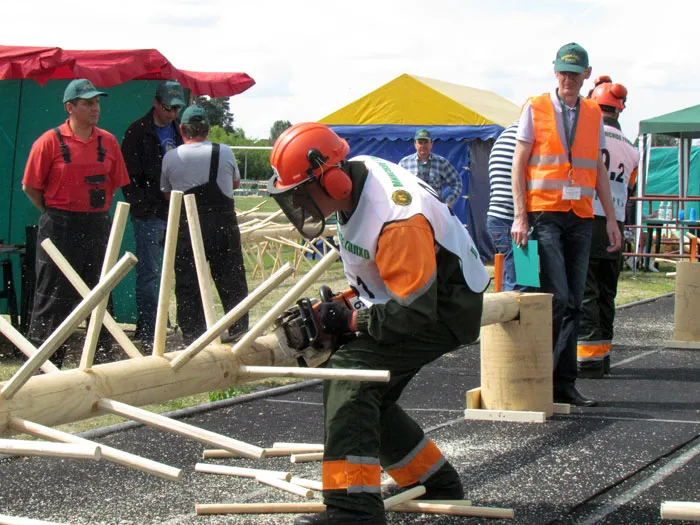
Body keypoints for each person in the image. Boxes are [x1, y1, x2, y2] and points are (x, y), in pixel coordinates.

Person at [268, 122, 489, 525]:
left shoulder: (396, 217)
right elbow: (383, 273)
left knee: (352, 377)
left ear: (332, 180)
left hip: (443, 309)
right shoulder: (358, 175)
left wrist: (352, 320)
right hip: (413, 298)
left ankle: (352, 510)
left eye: (301, 194)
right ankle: (435, 482)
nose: (299, 205)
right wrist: (346, 304)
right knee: (374, 398)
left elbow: (415, 311)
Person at [510, 43, 622, 408]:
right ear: (554, 72)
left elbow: (599, 170)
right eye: (563, 71)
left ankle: (564, 382)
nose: (568, 78)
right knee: (552, 296)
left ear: (586, 75)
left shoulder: (593, 114)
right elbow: (519, 162)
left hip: (580, 216)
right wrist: (519, 216)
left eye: (575, 73)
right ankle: (538, 376)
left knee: (573, 300)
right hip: (543, 214)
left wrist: (612, 219)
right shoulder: (536, 107)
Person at [22, 79, 130, 368]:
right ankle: (46, 364)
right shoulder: (48, 142)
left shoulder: (107, 141)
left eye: (97, 102)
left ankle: (98, 361)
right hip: (58, 226)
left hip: (96, 225)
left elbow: (115, 183)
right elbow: (30, 187)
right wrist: (56, 211)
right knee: (52, 296)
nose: (95, 108)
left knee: (98, 291)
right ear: (70, 108)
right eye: (88, 103)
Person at [160, 105, 248, 344]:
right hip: (222, 225)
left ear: (182, 129)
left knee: (189, 282)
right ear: (207, 129)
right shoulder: (226, 152)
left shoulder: (171, 156)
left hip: (187, 226)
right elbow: (236, 184)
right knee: (231, 277)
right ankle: (239, 328)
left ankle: (193, 334)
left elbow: (169, 196)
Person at [577, 77, 638, 378]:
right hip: (617, 224)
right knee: (606, 292)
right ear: (619, 111)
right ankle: (603, 357)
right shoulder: (632, 148)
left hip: (588, 218)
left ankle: (587, 359)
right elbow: (631, 186)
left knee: (586, 290)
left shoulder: (588, 135)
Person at [121, 81, 186, 347]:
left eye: (177, 109)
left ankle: (177, 325)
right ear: (157, 103)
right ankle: (148, 329)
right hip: (149, 215)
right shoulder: (137, 131)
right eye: (169, 108)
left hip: (174, 211)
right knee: (149, 274)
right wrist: (146, 204)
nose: (173, 113)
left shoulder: (178, 130)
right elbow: (128, 177)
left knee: (177, 271)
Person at [487, 121, 522, 291]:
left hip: (498, 216)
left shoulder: (508, 133)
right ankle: (517, 317)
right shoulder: (526, 135)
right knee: (520, 282)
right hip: (515, 219)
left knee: (514, 276)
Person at [398, 128, 462, 207]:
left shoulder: (441, 162)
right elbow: (397, 186)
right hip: (411, 209)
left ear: (431, 143)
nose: (423, 146)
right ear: (415, 144)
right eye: (420, 143)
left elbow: (457, 182)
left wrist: (449, 201)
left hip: (435, 209)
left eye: (426, 142)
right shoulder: (404, 163)